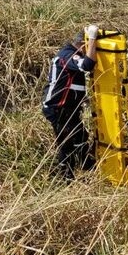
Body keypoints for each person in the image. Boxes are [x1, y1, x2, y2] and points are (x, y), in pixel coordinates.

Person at [42, 25, 99, 180]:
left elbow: (72, 84)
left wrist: (83, 99)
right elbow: (87, 65)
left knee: (80, 137)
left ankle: (86, 166)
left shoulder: (71, 54)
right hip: (58, 109)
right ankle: (66, 178)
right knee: (66, 144)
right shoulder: (68, 55)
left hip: (70, 109)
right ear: (83, 43)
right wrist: (93, 38)